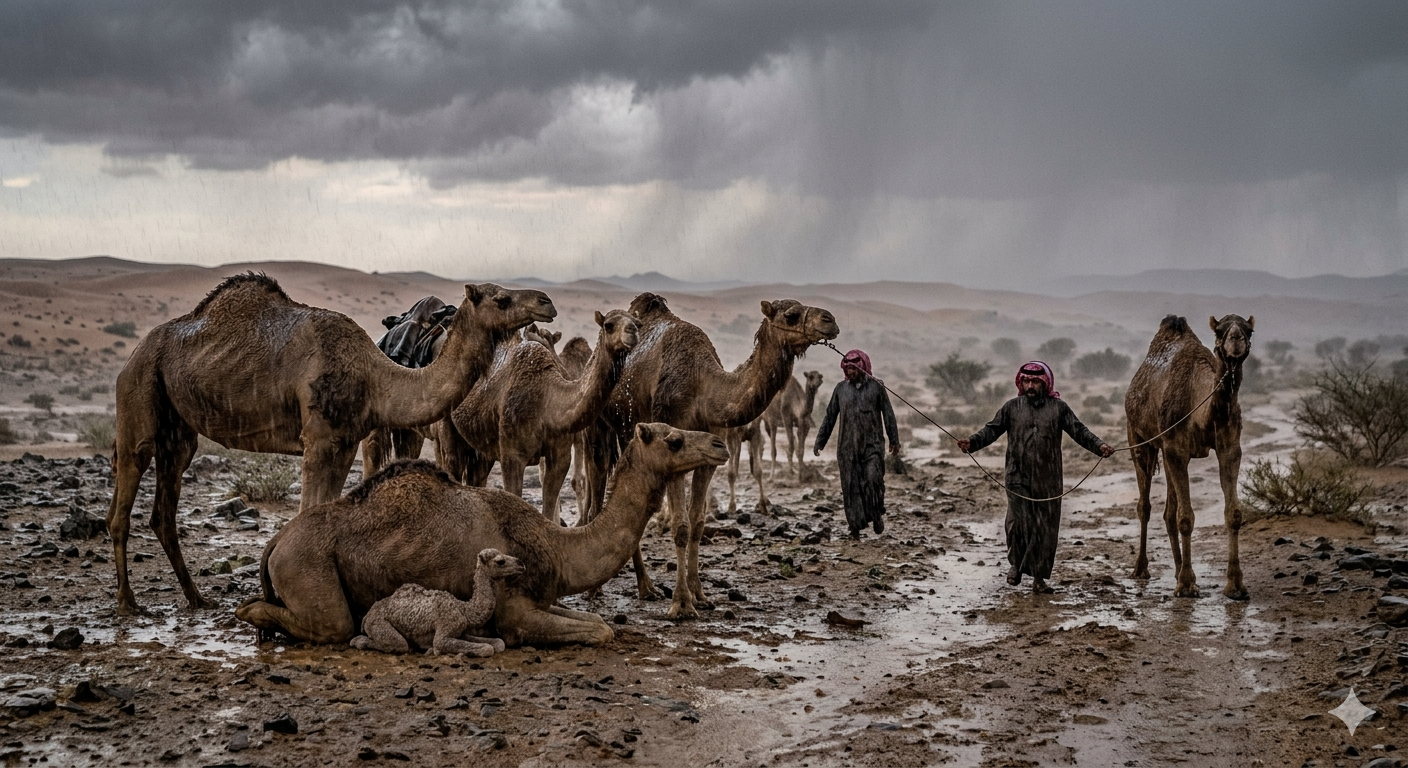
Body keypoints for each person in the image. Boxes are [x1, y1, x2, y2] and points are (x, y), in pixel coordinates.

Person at [957, 361, 1113, 593]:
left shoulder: (1059, 408)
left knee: (1044, 528)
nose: (1030, 386)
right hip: (1016, 475)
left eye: (1035, 382)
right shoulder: (1011, 407)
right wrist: (972, 442)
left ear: (1045, 383)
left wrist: (1099, 446)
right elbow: (991, 430)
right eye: (1026, 381)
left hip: (1048, 478)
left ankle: (1039, 579)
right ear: (1020, 383)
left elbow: (1079, 431)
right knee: (1017, 523)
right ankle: (1016, 566)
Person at [813, 349, 900, 539]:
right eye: (847, 369)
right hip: (847, 448)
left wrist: (894, 440)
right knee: (850, 487)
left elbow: (888, 414)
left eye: (853, 368)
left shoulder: (877, 387)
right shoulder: (840, 389)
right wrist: (820, 441)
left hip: (872, 446)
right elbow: (830, 417)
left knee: (873, 479)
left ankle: (876, 514)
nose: (850, 372)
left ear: (863, 367)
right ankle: (855, 528)